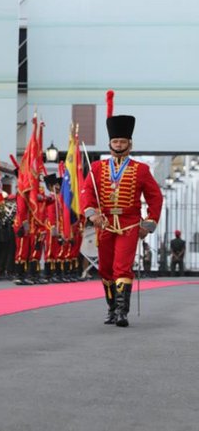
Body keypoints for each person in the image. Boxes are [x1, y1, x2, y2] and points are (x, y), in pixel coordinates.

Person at [80, 90, 162, 328]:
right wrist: (91, 213)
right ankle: (110, 308)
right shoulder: (96, 168)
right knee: (105, 269)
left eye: (122, 142)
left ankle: (121, 312)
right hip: (104, 224)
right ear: (110, 143)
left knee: (122, 267)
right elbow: (88, 193)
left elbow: (155, 197)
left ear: (129, 144)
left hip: (129, 224)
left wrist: (149, 222)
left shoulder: (141, 170)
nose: (118, 145)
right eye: (115, 141)